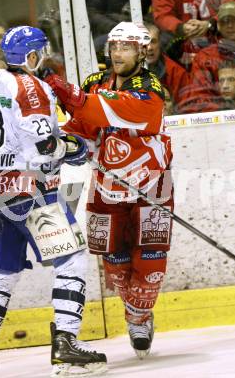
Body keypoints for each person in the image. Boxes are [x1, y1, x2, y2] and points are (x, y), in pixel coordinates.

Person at [0, 26, 107, 378]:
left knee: (1, 271)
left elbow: (15, 134)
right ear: (29, 56)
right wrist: (71, 150)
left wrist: (61, 143)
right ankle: (65, 344)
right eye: (40, 51)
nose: (44, 56)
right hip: (32, 193)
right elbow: (43, 149)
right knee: (71, 259)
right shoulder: (32, 87)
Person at [45, 22, 173, 359]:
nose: (118, 53)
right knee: (114, 262)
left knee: (150, 261)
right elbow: (83, 127)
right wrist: (67, 143)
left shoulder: (151, 87)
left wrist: (72, 96)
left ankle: (138, 317)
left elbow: (122, 111)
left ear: (142, 51)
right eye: (114, 46)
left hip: (151, 184)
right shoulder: (93, 84)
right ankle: (136, 312)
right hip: (106, 186)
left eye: (126, 47)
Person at [151, 0, 235, 65]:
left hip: (217, 30)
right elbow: (162, 14)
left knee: (234, 27)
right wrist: (181, 28)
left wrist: (210, 24)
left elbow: (234, 6)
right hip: (180, 34)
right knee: (159, 41)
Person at [144, 23, 190, 109]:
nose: (149, 47)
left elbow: (186, 107)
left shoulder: (177, 72)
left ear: (160, 44)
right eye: (144, 42)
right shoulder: (127, 70)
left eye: (153, 42)